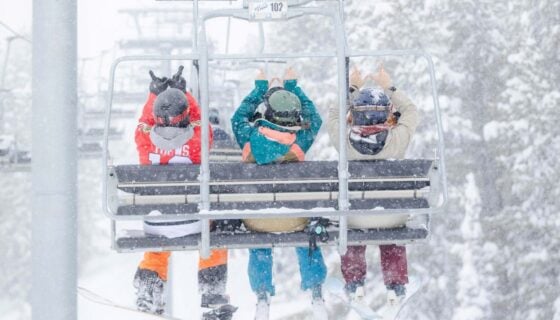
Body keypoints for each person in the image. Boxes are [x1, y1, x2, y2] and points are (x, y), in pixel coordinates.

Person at [133, 66, 235, 320]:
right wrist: (183, 92)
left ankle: (149, 288)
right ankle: (212, 294)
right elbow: (199, 118)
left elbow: (144, 123)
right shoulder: (198, 140)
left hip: (156, 222)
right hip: (194, 223)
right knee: (212, 239)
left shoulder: (144, 140)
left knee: (157, 244)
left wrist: (154, 95)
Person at [230, 68, 328, 320]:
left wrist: (260, 90)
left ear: (268, 113)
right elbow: (314, 118)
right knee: (306, 234)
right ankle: (316, 289)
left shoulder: (249, 140)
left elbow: (238, 118)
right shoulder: (299, 142)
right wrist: (293, 87)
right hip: (294, 216)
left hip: (257, 217)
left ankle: (262, 294)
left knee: (259, 236)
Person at [327, 65, 419, 307]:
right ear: (387, 114)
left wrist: (352, 87)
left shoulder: (344, 141)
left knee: (353, 229)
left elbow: (334, 114)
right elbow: (410, 110)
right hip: (393, 214)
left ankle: (354, 285)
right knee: (391, 229)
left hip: (355, 216)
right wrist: (389, 86)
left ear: (354, 115)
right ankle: (396, 286)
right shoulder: (398, 140)